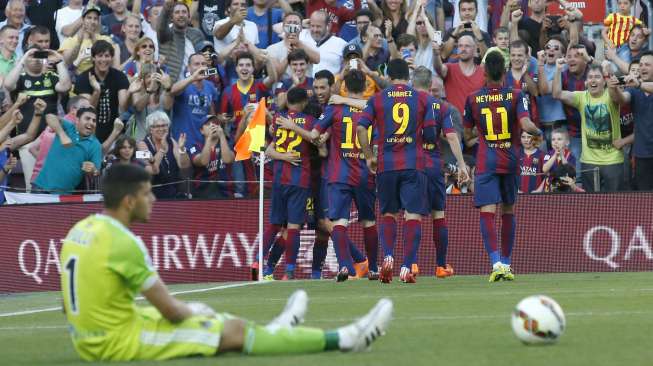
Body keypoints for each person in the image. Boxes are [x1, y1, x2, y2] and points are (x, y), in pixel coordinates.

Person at [59, 163, 393, 362]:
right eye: (148, 194)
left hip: (92, 336)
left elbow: (66, 305)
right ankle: (344, 338)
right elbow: (172, 313)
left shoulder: (80, 229)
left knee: (202, 310)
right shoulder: (124, 242)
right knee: (230, 330)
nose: (154, 199)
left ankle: (274, 332)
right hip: (114, 344)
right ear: (130, 201)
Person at [462, 51, 542, 282]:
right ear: (505, 72)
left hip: (486, 161)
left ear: (484, 72)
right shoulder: (516, 95)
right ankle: (506, 264)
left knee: (488, 213)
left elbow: (468, 133)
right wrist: (538, 131)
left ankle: (495, 262)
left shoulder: (473, 98)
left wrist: (486, 133)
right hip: (510, 160)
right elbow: (526, 123)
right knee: (508, 211)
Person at [356, 59, 437, 284]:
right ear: (408, 77)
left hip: (386, 164)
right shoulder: (422, 98)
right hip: (413, 163)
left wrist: (369, 156)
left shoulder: (377, 99)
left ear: (389, 76)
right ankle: (406, 266)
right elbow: (430, 135)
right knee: (413, 215)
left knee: (388, 214)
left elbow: (361, 127)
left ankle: (388, 256)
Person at [309, 69, 379, 281]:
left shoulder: (335, 108)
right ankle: (373, 268)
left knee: (339, 222)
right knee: (368, 221)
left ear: (345, 87)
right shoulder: (372, 110)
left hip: (339, 173)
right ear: (365, 86)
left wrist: (322, 138)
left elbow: (314, 134)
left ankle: (345, 266)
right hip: (365, 173)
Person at [412, 66, 469, 278]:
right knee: (438, 213)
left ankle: (413, 264)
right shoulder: (440, 106)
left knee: (413, 213)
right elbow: (452, 136)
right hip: (433, 162)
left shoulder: (405, 103)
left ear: (413, 83)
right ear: (430, 85)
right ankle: (441, 265)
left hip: (410, 162)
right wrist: (462, 165)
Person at [263, 87, 316, 280]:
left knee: (275, 224)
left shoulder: (278, 119)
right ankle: (289, 270)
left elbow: (269, 150)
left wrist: (282, 156)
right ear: (303, 102)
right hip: (299, 180)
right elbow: (316, 139)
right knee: (293, 227)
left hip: (279, 180)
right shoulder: (309, 121)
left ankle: (258, 261)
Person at [553, 61, 623, 192]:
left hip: (612, 160)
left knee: (615, 204)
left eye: (597, 77)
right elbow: (557, 94)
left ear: (604, 81)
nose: (593, 80)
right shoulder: (582, 97)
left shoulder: (610, 94)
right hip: (588, 160)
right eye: (590, 77)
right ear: (586, 82)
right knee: (591, 206)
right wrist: (557, 70)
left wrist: (608, 73)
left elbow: (618, 98)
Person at [607, 50, 653, 191]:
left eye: (647, 65)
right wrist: (613, 88)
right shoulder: (634, 90)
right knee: (645, 198)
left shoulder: (638, 85)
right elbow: (620, 99)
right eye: (641, 65)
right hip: (642, 154)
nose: (642, 67)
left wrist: (638, 84)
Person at [33, 109, 103, 193]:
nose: (91, 122)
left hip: (65, 194)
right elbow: (49, 116)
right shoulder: (69, 127)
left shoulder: (95, 144)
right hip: (40, 187)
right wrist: (62, 134)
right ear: (77, 120)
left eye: (94, 121)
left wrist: (93, 170)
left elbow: (96, 171)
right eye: (87, 118)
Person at [74, 40, 130, 143]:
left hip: (113, 131)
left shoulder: (119, 76)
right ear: (93, 58)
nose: (103, 59)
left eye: (107, 56)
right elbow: (87, 110)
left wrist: (130, 92)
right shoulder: (84, 78)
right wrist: (97, 91)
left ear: (112, 58)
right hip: (89, 131)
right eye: (100, 55)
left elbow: (123, 106)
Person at [138, 111, 191, 199]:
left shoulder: (172, 142)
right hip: (151, 195)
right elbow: (152, 170)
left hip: (173, 192)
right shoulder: (141, 145)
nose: (161, 129)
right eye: (157, 126)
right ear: (150, 129)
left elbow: (184, 166)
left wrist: (182, 150)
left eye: (164, 125)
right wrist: (162, 150)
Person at [189, 115, 235, 198]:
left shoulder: (227, 143)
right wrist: (209, 138)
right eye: (208, 124)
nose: (212, 125)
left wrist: (222, 136)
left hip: (225, 192)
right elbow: (203, 161)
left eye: (215, 123)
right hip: (202, 193)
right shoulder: (195, 146)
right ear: (201, 130)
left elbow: (228, 159)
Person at [299, 10, 348, 76]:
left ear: (328, 26)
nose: (315, 30)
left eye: (318, 26)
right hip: (304, 84)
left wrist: (339, 80)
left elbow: (350, 66)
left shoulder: (341, 44)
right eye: (312, 26)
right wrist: (300, 24)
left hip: (330, 84)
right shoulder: (301, 35)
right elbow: (285, 29)